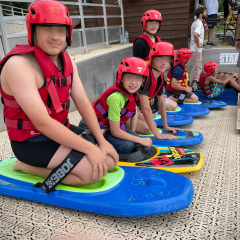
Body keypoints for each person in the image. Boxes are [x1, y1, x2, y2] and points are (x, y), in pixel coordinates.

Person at [0, 0, 118, 188]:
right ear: (33, 31)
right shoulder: (18, 66)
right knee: (90, 173)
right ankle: (27, 166)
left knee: (109, 159)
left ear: (68, 33)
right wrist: (89, 149)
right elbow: (42, 122)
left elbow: (82, 102)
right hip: (32, 141)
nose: (55, 36)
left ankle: (86, 155)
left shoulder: (67, 61)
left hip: (59, 131)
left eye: (60, 30)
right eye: (47, 28)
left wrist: (102, 141)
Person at [91, 57, 152, 153]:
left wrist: (133, 134)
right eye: (129, 77)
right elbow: (115, 131)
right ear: (121, 77)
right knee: (128, 146)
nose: (133, 82)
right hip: (96, 128)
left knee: (136, 140)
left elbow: (134, 113)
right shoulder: (116, 98)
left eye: (137, 78)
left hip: (111, 126)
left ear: (143, 80)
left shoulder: (133, 93)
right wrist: (138, 139)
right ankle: (94, 144)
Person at [128, 42, 178, 139]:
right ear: (153, 59)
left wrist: (166, 126)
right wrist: (158, 135)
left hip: (133, 108)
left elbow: (161, 102)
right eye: (160, 58)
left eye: (167, 59)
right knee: (147, 129)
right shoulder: (146, 76)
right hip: (122, 109)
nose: (164, 62)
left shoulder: (160, 75)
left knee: (153, 125)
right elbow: (145, 108)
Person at [133, 9, 177, 111]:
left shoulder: (158, 40)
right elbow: (137, 71)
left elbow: (160, 70)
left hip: (155, 83)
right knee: (153, 109)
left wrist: (159, 89)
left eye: (156, 23)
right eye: (151, 22)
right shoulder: (140, 43)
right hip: (145, 86)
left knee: (173, 105)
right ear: (144, 23)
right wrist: (148, 94)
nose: (154, 26)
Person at [189, 7, 207, 90]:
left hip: (195, 49)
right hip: (196, 49)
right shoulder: (199, 23)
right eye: (205, 12)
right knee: (197, 67)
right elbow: (196, 34)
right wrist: (198, 43)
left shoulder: (196, 22)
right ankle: (192, 85)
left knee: (197, 66)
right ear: (201, 14)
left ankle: (193, 85)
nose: (206, 13)